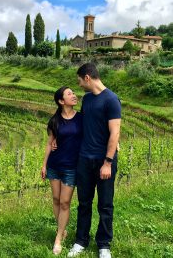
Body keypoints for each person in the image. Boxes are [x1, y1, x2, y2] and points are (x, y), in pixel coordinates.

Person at [67, 63, 121, 258]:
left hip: (103, 161)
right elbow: (85, 126)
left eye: (79, 81)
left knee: (105, 204)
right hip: (84, 159)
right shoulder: (87, 99)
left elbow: (115, 132)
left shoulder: (112, 100)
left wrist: (107, 162)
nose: (79, 85)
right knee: (84, 203)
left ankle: (103, 245)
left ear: (87, 78)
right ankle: (81, 241)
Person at [41, 86, 82, 255]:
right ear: (61, 101)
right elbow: (50, 143)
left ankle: (58, 238)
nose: (74, 95)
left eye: (73, 92)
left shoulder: (81, 118)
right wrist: (44, 165)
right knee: (56, 199)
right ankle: (62, 230)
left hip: (71, 167)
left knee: (65, 202)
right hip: (54, 165)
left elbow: (97, 129)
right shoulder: (54, 121)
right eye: (69, 94)